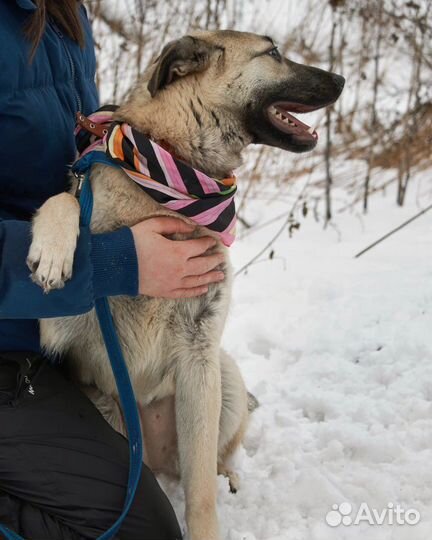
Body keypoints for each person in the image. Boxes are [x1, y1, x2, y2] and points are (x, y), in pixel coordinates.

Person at [0, 1, 226, 538]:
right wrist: (115, 261)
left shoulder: (62, 13)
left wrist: (171, 180)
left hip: (40, 332)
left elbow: (75, 158)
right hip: (10, 345)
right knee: (134, 531)